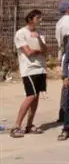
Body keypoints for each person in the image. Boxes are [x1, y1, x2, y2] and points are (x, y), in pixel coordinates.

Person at [10, 10, 48, 139]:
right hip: (29, 69)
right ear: (30, 19)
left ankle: (29, 125)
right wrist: (38, 51)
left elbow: (46, 50)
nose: (40, 20)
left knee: (36, 97)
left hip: (41, 69)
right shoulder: (21, 33)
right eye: (38, 17)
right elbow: (28, 52)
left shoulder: (39, 33)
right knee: (30, 96)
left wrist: (38, 39)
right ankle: (16, 126)